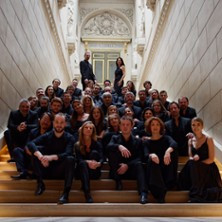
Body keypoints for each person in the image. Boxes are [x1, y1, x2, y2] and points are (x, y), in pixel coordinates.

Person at [27, 113, 76, 204]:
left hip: (60, 170)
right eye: (57, 122)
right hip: (46, 168)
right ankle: (40, 183)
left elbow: (68, 153)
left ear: (65, 124)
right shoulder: (47, 135)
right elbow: (30, 143)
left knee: (70, 159)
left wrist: (51, 157)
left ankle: (65, 194)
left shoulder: (70, 137)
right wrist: (41, 157)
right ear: (53, 123)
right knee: (37, 151)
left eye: (62, 122)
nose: (59, 125)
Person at [178, 117, 222, 203]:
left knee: (195, 166)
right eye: (193, 125)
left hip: (208, 167)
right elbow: (190, 156)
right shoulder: (190, 140)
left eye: (198, 125)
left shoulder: (208, 139)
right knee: (191, 163)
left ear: (202, 126)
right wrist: (195, 159)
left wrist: (199, 162)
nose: (196, 127)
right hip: (194, 167)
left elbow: (211, 159)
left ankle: (196, 195)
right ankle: (196, 193)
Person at [107, 116, 148, 204]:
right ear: (120, 126)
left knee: (139, 164)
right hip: (117, 170)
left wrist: (127, 165)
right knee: (112, 151)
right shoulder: (114, 138)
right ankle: (118, 181)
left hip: (131, 170)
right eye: (123, 125)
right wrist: (119, 146)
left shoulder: (138, 141)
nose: (125, 127)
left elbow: (140, 157)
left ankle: (143, 193)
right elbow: (108, 147)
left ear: (132, 126)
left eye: (127, 125)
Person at [143, 117, 178, 203]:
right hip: (154, 172)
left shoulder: (166, 138)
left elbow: (174, 144)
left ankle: (167, 185)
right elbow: (145, 154)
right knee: (152, 159)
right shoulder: (146, 142)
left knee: (173, 151)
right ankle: (161, 191)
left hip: (166, 169)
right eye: (153, 125)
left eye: (157, 124)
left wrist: (168, 151)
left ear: (161, 127)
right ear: (149, 127)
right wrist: (151, 155)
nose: (155, 126)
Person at [11, 112, 53, 179]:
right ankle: (23, 172)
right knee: (17, 150)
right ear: (39, 120)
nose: (45, 122)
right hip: (30, 156)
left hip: (42, 158)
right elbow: (27, 145)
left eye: (48, 121)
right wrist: (29, 151)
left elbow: (48, 148)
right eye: (44, 119)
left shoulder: (52, 134)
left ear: (51, 123)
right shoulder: (33, 131)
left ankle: (34, 174)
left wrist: (35, 153)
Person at [74, 121, 103, 203]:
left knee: (94, 153)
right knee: (83, 164)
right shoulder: (77, 145)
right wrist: (87, 162)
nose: (88, 129)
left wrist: (98, 164)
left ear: (93, 131)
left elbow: (102, 158)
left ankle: (84, 186)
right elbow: (78, 159)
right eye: (86, 128)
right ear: (82, 129)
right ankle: (87, 193)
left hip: (94, 171)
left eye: (91, 128)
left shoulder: (97, 144)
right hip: (80, 172)